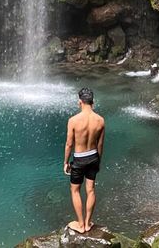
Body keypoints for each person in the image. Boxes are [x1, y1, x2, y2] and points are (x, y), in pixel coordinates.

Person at [63, 87, 105, 234]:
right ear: (92, 102)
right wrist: (98, 161)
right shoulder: (100, 120)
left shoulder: (73, 120)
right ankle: (88, 223)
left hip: (79, 158)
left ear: (80, 102)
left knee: (75, 190)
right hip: (93, 156)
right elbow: (100, 144)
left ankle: (80, 225)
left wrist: (66, 162)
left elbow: (69, 144)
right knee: (91, 189)